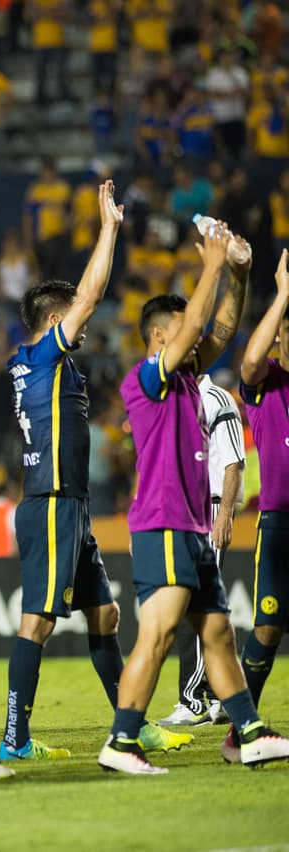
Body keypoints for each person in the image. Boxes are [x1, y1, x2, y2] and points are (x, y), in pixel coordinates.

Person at [99, 222, 288, 774]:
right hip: (162, 524)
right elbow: (201, 324)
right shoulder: (147, 380)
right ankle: (122, 741)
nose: (194, 338)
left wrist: (240, 270)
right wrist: (209, 264)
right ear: (161, 336)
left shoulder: (184, 379)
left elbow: (223, 326)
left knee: (219, 635)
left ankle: (248, 733)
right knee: (156, 637)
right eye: (182, 329)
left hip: (193, 527)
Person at [0, 181, 130, 761]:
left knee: (104, 612)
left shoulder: (34, 365)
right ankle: (13, 739)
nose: (82, 315)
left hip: (65, 501)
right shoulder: (47, 354)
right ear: (55, 319)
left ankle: (129, 722)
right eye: (71, 309)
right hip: (52, 500)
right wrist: (109, 229)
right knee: (38, 624)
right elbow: (94, 293)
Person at [159, 372, 245, 727]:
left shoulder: (217, 399)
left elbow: (233, 462)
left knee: (190, 602)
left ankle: (194, 699)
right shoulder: (170, 400)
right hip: (180, 512)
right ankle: (224, 696)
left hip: (207, 510)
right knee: (206, 606)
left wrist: (224, 513)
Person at [232, 249, 289, 747]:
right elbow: (249, 359)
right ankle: (240, 734)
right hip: (279, 524)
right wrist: (283, 293)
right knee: (268, 627)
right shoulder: (267, 383)